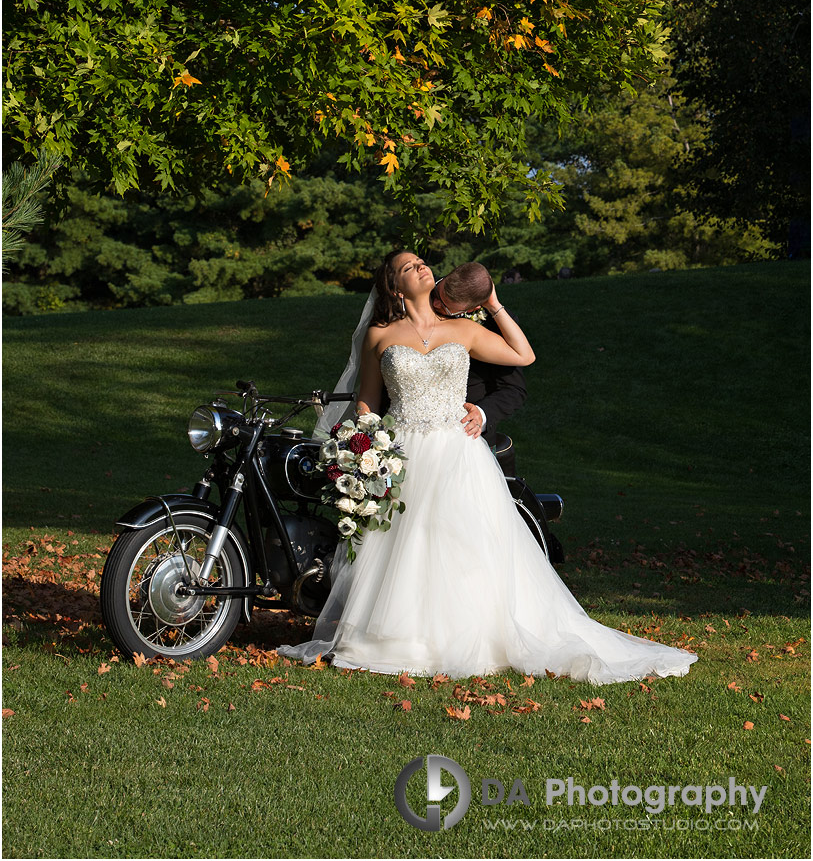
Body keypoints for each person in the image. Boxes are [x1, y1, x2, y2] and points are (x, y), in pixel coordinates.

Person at [277, 250, 698, 683]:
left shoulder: (464, 329)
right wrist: (364, 446)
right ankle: (403, 641)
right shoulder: (380, 335)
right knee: (409, 545)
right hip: (403, 455)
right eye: (409, 267)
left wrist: (493, 302)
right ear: (394, 287)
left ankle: (473, 637)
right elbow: (367, 399)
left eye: (423, 262)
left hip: (458, 453)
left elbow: (524, 354)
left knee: (464, 543)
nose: (422, 267)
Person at [429, 262, 526, 448]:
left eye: (444, 306)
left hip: (464, 432)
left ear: (473, 309)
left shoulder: (497, 325)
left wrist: (481, 414)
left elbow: (514, 389)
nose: (434, 304)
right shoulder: (420, 290)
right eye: (436, 294)